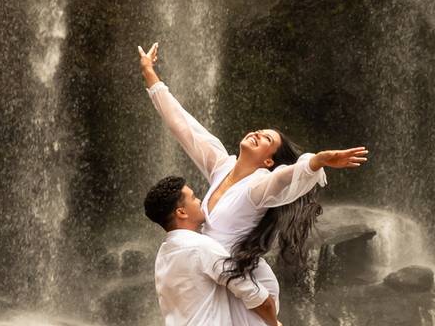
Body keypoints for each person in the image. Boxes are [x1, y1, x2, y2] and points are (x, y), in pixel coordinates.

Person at [138, 42, 368, 326]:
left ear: (269, 160)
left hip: (239, 281)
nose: (258, 134)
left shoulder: (258, 186)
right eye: (259, 130)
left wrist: (316, 161)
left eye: (267, 139)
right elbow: (184, 128)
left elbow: (285, 176)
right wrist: (150, 74)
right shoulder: (221, 166)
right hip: (217, 278)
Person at [144, 174, 279, 326]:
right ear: (182, 212)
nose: (199, 201)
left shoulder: (163, 255)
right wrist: (274, 323)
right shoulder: (201, 247)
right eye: (193, 198)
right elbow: (255, 296)